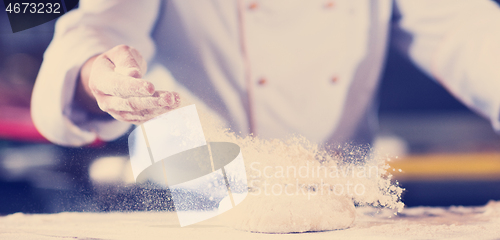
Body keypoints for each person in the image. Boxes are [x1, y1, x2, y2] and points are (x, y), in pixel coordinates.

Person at [32, 0, 500, 148]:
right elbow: (95, 30)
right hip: (195, 199)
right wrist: (98, 74)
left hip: (346, 206)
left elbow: (464, 30)